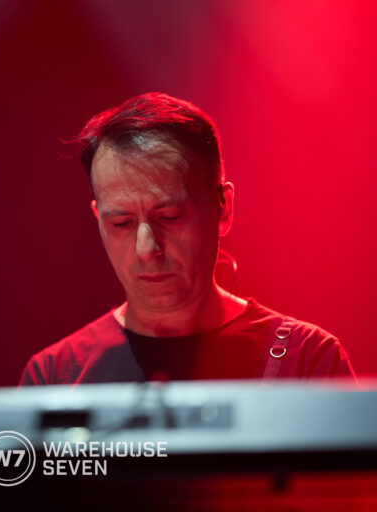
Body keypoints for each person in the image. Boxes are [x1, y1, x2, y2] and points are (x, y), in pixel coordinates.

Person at [20, 92, 355, 385]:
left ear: (224, 208)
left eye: (170, 217)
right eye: (121, 223)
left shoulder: (308, 359)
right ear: (98, 219)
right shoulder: (56, 375)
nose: (146, 249)